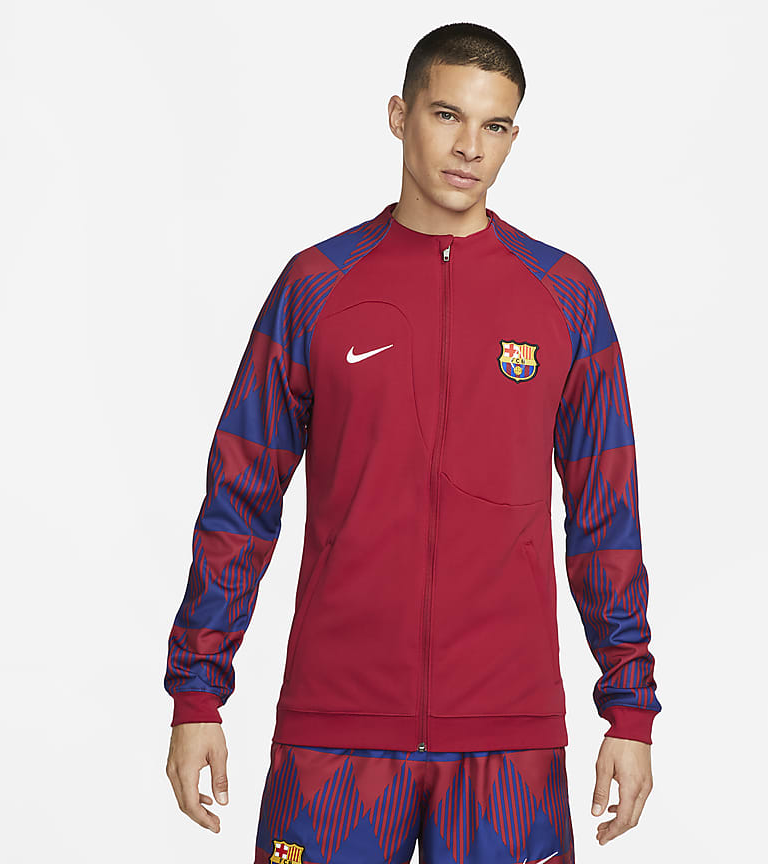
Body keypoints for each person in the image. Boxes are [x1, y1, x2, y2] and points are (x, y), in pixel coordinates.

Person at [164, 21, 661, 863]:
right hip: (337, 725)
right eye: (446, 115)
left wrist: (630, 708)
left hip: (508, 733)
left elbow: (605, 514)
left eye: (494, 125)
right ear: (399, 116)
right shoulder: (317, 287)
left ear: (513, 137)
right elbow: (241, 496)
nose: (470, 147)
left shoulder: (564, 296)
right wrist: (197, 694)